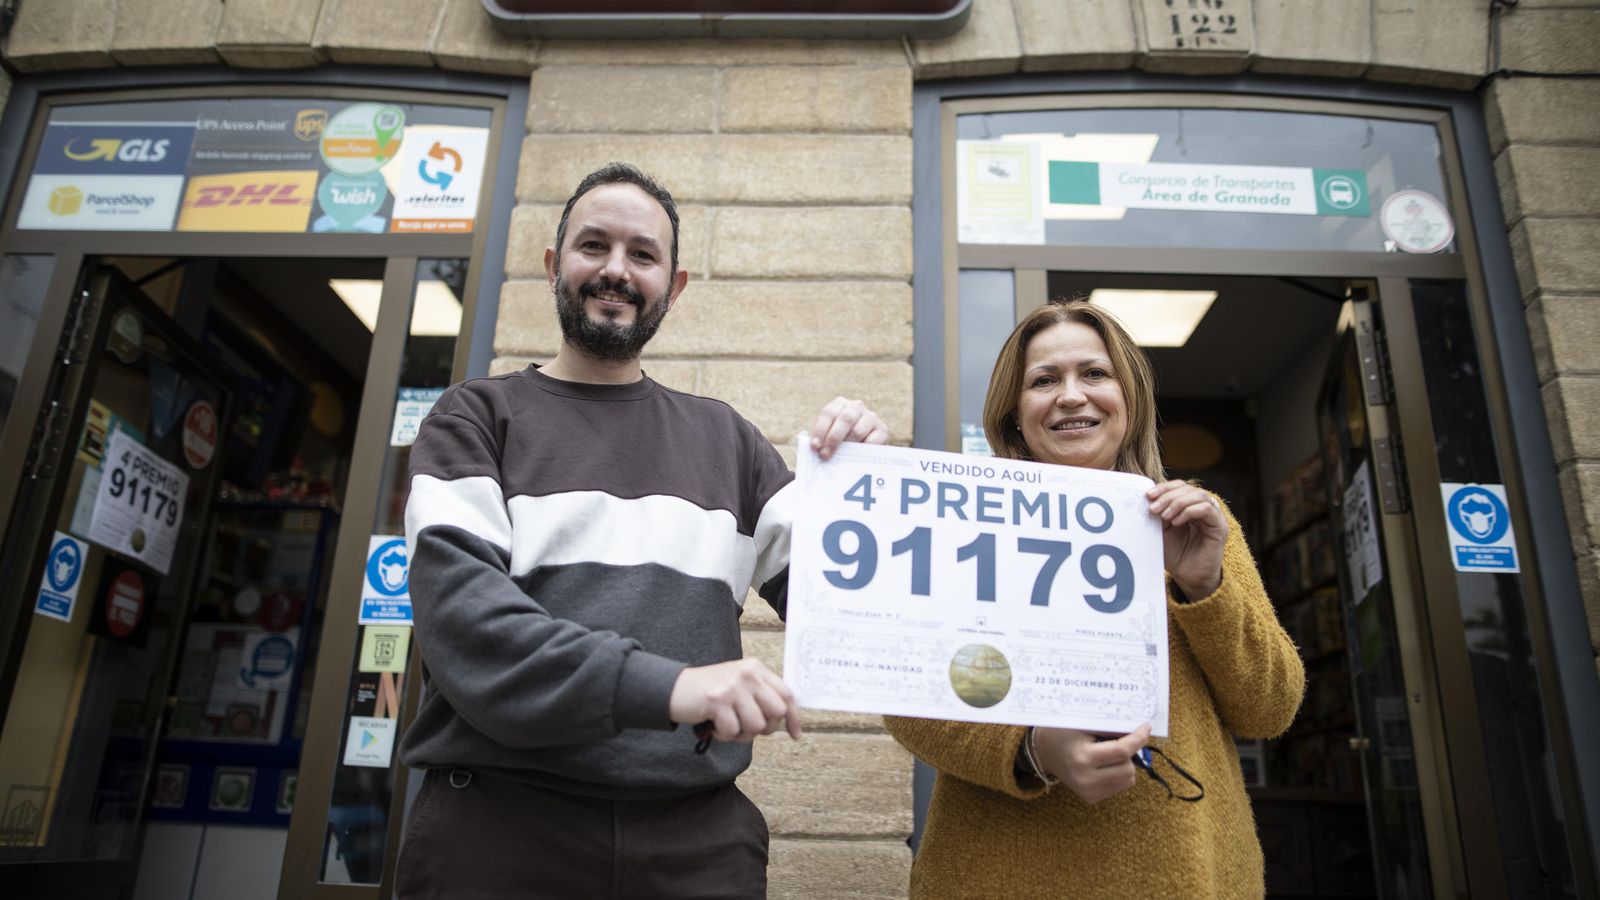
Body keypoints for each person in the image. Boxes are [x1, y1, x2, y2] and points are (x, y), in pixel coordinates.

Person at [395, 162, 888, 899]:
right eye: (594, 246)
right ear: (554, 265)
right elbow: (467, 628)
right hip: (501, 832)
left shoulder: (730, 442)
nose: (616, 271)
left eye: (643, 255)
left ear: (674, 286)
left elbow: (862, 612)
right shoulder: (474, 418)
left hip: (699, 845)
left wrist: (868, 491)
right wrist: (672, 686)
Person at [885, 300, 1304, 899]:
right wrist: (1034, 749)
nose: (1071, 396)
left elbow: (1270, 709)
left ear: (1129, 399)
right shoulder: (962, 526)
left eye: (1095, 373)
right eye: (1044, 380)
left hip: (1185, 873)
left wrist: (1204, 587)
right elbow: (907, 696)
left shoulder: (1196, 523)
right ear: (1013, 414)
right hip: (997, 874)